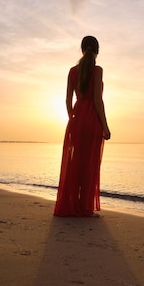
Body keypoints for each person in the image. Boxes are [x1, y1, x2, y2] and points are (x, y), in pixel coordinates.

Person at [54, 35, 111, 217]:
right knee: (89, 164)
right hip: (92, 120)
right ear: (97, 51)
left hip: (77, 121)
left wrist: (72, 116)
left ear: (81, 49)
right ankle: (84, 207)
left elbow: (67, 99)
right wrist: (106, 126)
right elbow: (97, 100)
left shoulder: (72, 71)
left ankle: (72, 204)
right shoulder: (97, 70)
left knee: (75, 163)